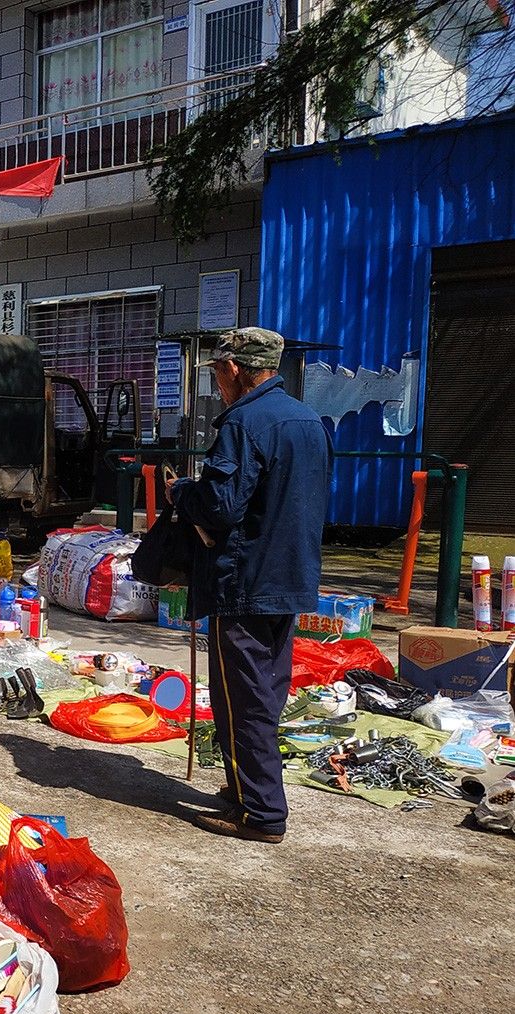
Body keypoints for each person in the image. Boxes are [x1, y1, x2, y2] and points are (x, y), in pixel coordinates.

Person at [170, 327, 332, 843]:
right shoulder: (306, 419)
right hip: (290, 574)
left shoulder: (244, 421)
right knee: (265, 691)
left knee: (242, 697)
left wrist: (183, 492)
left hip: (245, 579)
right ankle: (247, 788)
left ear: (234, 369)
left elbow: (220, 507)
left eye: (218, 373)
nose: (217, 384)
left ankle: (261, 813)